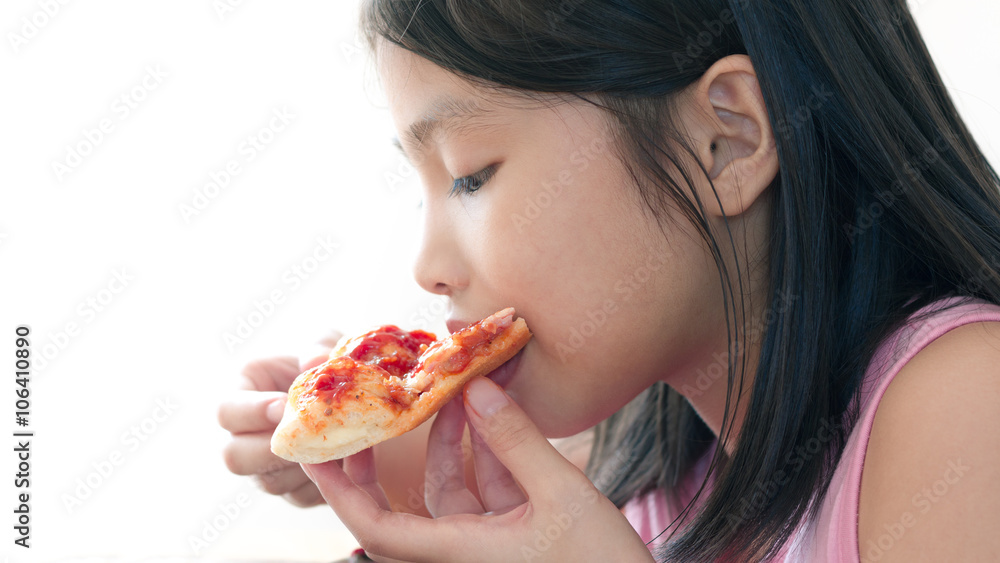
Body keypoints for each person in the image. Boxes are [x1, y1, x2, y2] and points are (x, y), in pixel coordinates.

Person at [218, 0, 1000, 560]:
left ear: (723, 143)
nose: (429, 268)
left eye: (470, 175)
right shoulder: (649, 468)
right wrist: (361, 441)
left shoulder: (965, 402)